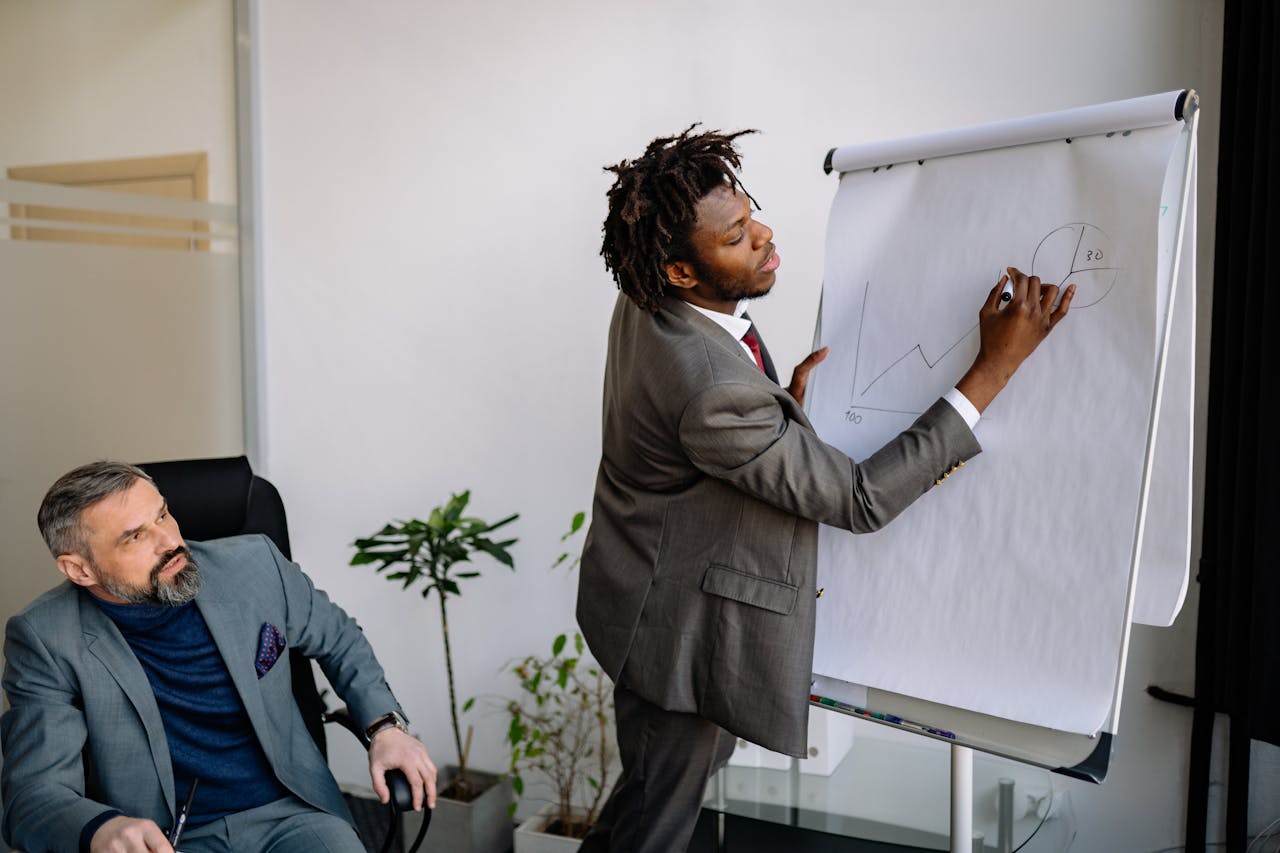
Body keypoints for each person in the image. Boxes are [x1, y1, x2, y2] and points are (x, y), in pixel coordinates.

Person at [575, 126, 1075, 852]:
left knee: (651, 794)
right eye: (737, 235)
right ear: (681, 272)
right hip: (672, 636)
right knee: (656, 823)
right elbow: (860, 499)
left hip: (644, 590)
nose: (765, 235)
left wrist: (774, 411)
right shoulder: (710, 389)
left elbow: (693, 422)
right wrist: (994, 368)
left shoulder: (650, 298)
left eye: (752, 213)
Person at [1, 461, 437, 853]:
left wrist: (385, 725)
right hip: (167, 838)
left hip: (294, 814)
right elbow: (34, 794)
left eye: (162, 514)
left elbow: (339, 638)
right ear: (80, 569)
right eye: (136, 537)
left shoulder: (255, 565)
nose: (170, 541)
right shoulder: (46, 638)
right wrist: (100, 829)